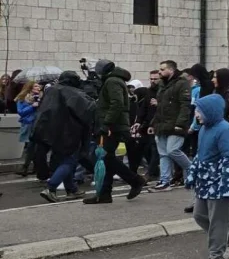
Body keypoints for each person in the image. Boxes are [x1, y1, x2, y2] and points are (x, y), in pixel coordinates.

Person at [188, 94, 229, 259]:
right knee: (200, 215)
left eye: (199, 110)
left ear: (210, 111)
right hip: (205, 182)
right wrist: (192, 174)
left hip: (220, 183)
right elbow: (200, 154)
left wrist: (226, 185)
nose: (196, 114)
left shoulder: (225, 130)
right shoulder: (204, 129)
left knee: (218, 221)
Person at [86, 59, 146, 203]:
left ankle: (135, 180)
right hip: (114, 124)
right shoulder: (115, 80)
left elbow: (117, 103)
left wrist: (106, 123)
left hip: (113, 126)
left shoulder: (112, 81)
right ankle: (105, 193)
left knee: (105, 157)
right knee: (106, 158)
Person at [35, 72, 95, 203]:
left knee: (64, 160)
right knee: (70, 161)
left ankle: (72, 189)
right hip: (69, 132)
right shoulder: (75, 93)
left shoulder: (51, 90)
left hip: (50, 132)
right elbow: (87, 111)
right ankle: (51, 188)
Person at [151, 61, 193, 191]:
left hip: (175, 125)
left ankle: (192, 169)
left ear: (171, 70)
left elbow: (185, 105)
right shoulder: (162, 85)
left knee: (172, 150)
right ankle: (165, 181)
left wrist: (180, 124)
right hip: (162, 124)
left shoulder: (182, 84)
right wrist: (153, 123)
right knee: (163, 154)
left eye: (162, 69)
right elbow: (161, 107)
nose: (160, 72)